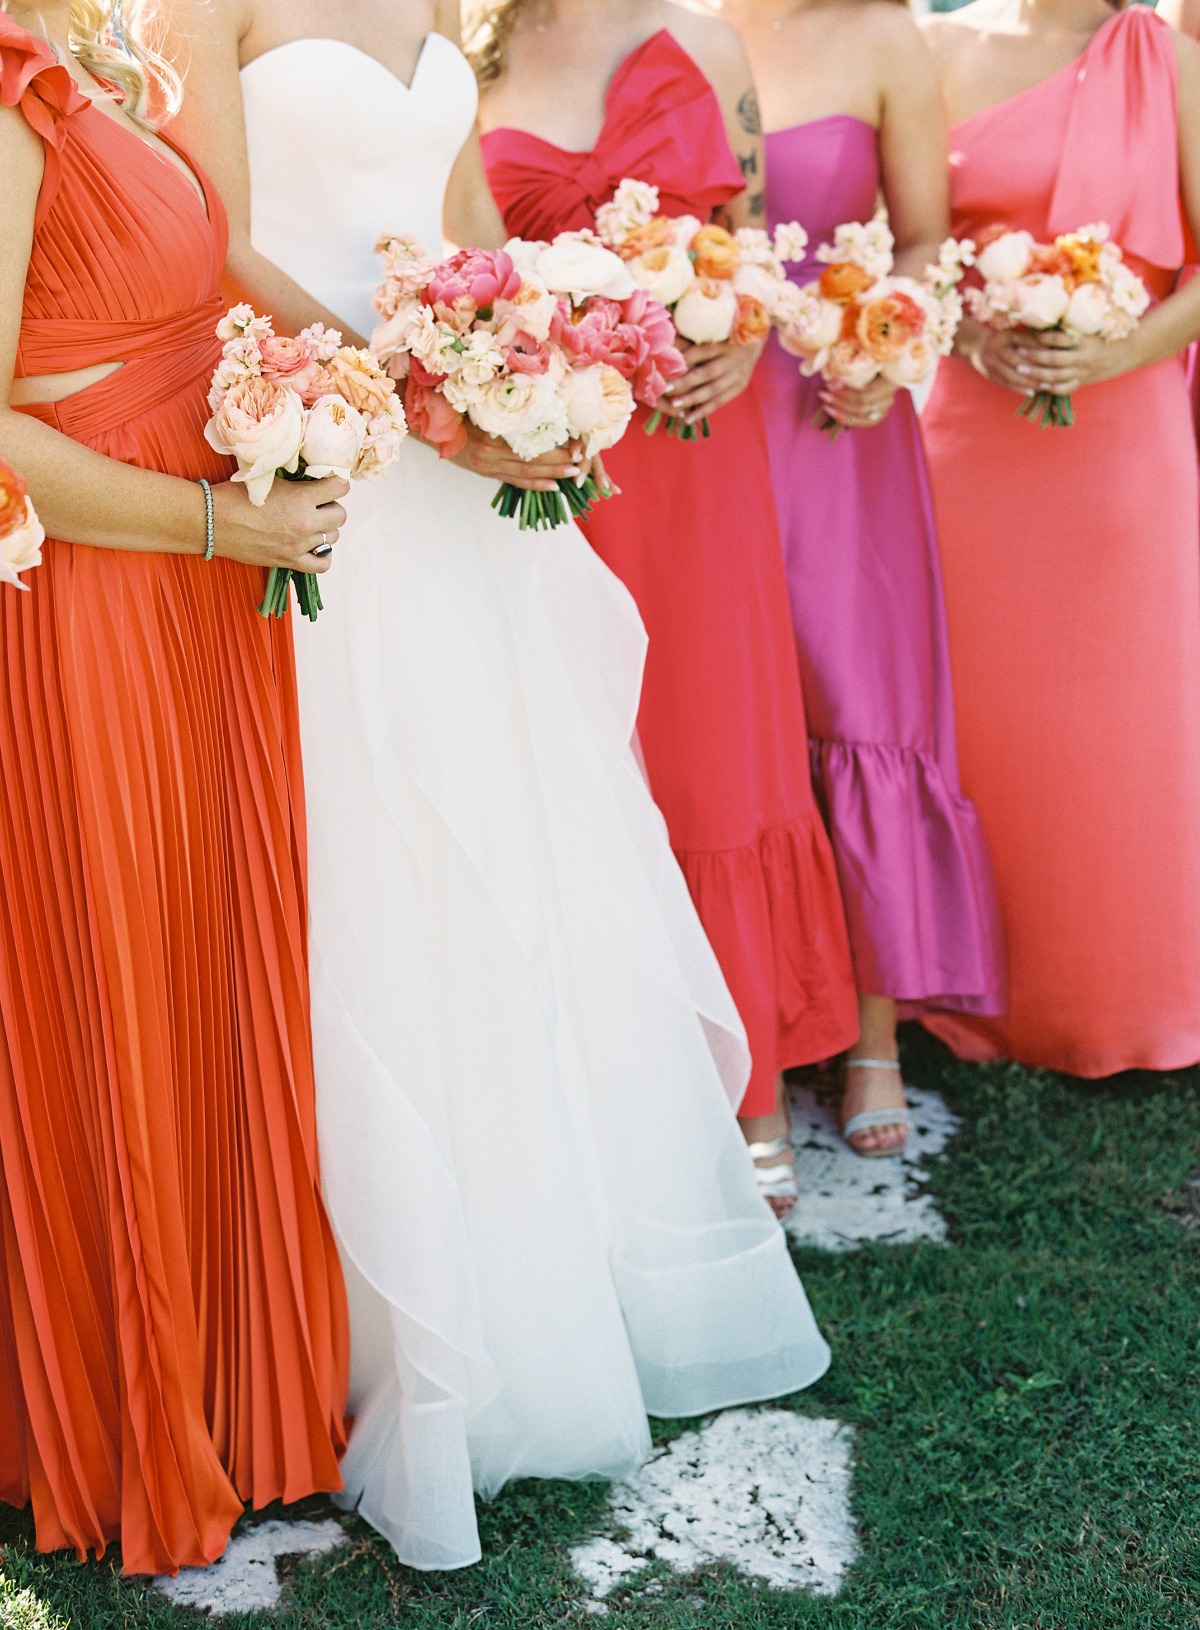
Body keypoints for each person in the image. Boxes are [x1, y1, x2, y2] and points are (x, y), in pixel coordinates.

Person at [164, 0, 834, 1572]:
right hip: (328, 444)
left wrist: (529, 354)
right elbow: (213, 242)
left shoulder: (434, 7)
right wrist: (416, 384)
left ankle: (545, 1287)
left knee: (528, 845)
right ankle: (371, 1335)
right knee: (381, 850)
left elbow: (462, 219)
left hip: (462, 472)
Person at [0, 0, 350, 1575]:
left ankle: (233, 1385)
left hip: (205, 577)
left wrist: (337, 400)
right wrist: (213, 527)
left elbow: (197, 291)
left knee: (211, 965)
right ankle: (140, 1413)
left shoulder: (108, 41)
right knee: (128, 982)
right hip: (98, 598)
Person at [478, 0, 859, 1202]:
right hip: (549, 451)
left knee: (710, 739)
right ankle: (599, 1078)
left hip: (693, 447)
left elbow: (746, 234)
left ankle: (747, 1079)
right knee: (582, 742)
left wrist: (742, 333)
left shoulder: (703, 39)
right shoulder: (465, 41)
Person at [709, 0, 1004, 1156]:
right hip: (709, 418)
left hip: (841, 415)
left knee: (858, 700)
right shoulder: (679, 27)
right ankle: (765, 1038)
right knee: (739, 722)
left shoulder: (887, 37)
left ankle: (875, 1033)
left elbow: (926, 235)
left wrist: (885, 336)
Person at [918, 0, 1200, 1075]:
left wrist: (1115, 355)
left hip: (1122, 444)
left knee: (1118, 719)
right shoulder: (938, 46)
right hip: (966, 434)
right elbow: (908, 234)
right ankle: (968, 989)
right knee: (984, 715)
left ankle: (1124, 996)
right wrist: (971, 325)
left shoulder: (1170, 61)